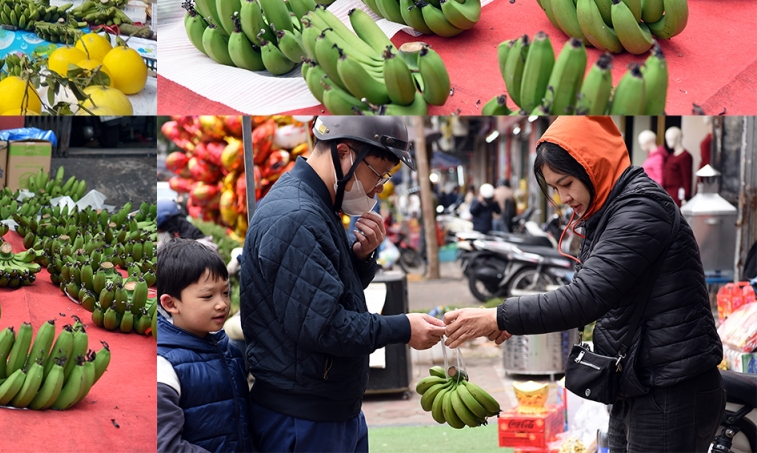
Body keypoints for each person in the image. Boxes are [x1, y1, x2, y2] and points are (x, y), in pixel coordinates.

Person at [443, 116, 725, 452]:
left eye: (566, 183)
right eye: (555, 189)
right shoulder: (609, 209)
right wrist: (513, 322)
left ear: (593, 166)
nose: (563, 198)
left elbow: (585, 297)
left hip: (672, 388)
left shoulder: (641, 209)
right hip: (638, 380)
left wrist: (497, 316)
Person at [240, 116, 446, 453]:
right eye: (378, 175)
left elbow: (320, 291)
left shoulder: (316, 203)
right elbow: (326, 327)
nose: (379, 189)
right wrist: (403, 328)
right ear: (345, 152)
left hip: (329, 410)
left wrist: (360, 258)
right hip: (303, 421)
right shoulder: (297, 216)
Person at [157, 238, 251, 453]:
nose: (222, 304)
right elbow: (166, 445)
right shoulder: (164, 366)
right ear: (170, 303)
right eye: (208, 296)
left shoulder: (228, 349)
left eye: (226, 292)